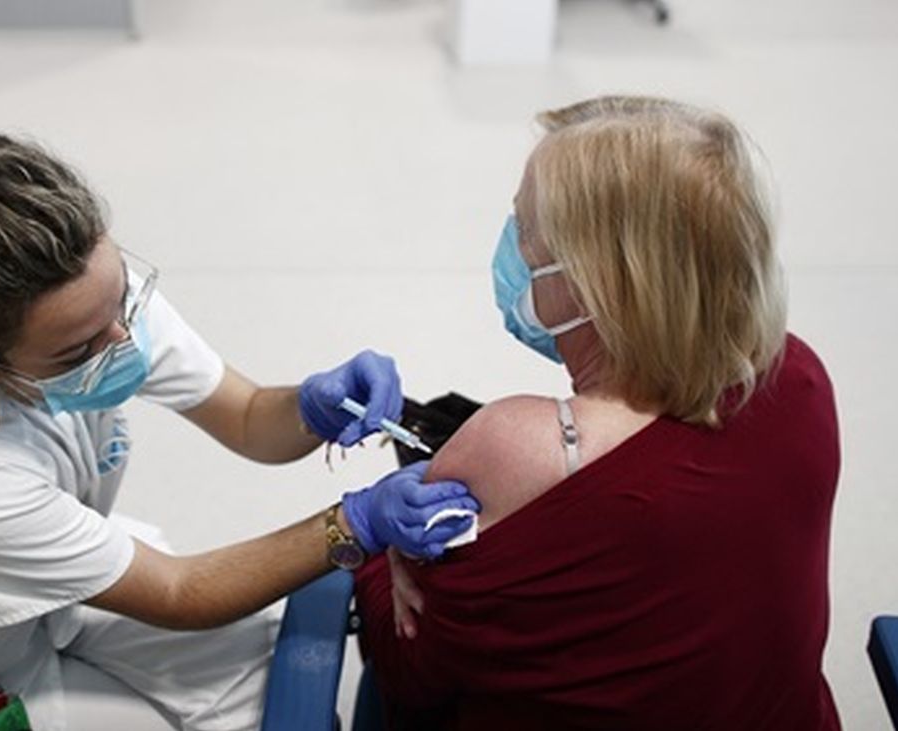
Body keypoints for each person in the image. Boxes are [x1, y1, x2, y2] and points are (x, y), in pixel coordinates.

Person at [0, 72, 479, 731]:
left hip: (64, 597)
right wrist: (353, 521)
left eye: (121, 301)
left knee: (270, 688)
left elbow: (243, 415)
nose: (122, 339)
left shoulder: (88, 296)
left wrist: (311, 406)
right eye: (78, 351)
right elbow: (179, 594)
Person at [354, 96, 842, 730]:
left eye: (525, 228)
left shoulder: (517, 448)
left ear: (595, 279)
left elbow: (408, 668)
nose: (513, 246)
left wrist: (373, 545)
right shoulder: (797, 376)